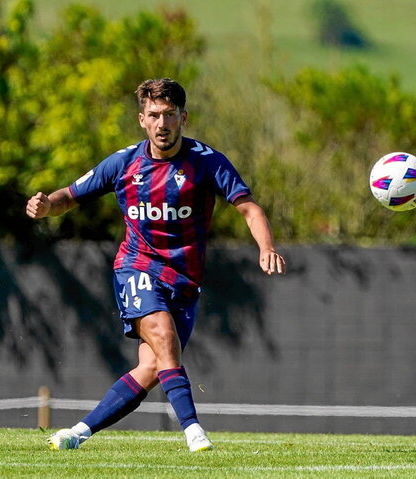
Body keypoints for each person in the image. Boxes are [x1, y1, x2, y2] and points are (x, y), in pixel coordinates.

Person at [26, 78, 286, 452]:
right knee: (164, 338)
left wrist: (267, 246)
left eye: (169, 115)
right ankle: (194, 433)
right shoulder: (124, 162)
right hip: (137, 267)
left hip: (184, 281)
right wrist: (47, 205)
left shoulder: (206, 161)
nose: (162, 123)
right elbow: (70, 195)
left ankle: (77, 434)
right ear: (141, 120)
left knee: (152, 368)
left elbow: (248, 207)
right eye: (154, 115)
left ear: (184, 117)